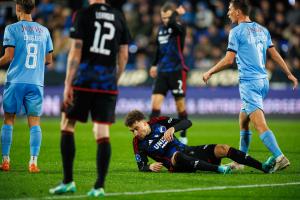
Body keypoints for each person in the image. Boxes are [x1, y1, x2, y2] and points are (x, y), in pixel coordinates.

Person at [202, 0, 298, 172]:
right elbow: (274, 54)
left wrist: (210, 72)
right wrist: (289, 73)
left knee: (259, 125)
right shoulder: (262, 30)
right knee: (243, 120)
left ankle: (280, 157)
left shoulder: (236, 32)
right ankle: (240, 161)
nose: (228, 13)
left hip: (249, 82)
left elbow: (229, 60)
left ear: (238, 12)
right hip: (263, 81)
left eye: (230, 9)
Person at [49, 0, 129, 197]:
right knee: (102, 132)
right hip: (107, 83)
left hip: (84, 80)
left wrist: (68, 83)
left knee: (67, 124)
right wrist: (115, 80)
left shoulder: (83, 14)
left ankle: (68, 181)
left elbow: (76, 49)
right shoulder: (119, 16)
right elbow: (124, 54)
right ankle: (99, 186)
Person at [124, 110, 275, 174]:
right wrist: (149, 167)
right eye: (132, 131)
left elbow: (187, 122)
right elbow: (141, 166)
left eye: (135, 128)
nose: (135, 133)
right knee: (176, 156)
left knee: (223, 148)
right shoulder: (138, 143)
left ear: (143, 123)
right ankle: (219, 170)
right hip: (175, 164)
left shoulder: (160, 122)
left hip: (189, 151)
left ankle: (263, 167)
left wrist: (173, 129)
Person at [0, 0, 53, 173]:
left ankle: (6, 161)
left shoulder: (12, 29)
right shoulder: (44, 31)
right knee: (35, 123)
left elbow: (8, 57)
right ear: (33, 9)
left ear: (18, 8)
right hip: (35, 82)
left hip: (15, 81)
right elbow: (49, 60)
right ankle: (33, 163)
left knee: (9, 120)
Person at [149, 2, 189, 145]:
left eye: (167, 17)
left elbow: (173, 24)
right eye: (163, 17)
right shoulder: (160, 30)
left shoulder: (179, 27)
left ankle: (183, 135)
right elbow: (159, 49)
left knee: (180, 106)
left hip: (177, 71)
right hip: (162, 72)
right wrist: (154, 64)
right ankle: (151, 136)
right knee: (155, 106)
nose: (165, 20)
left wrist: (176, 15)